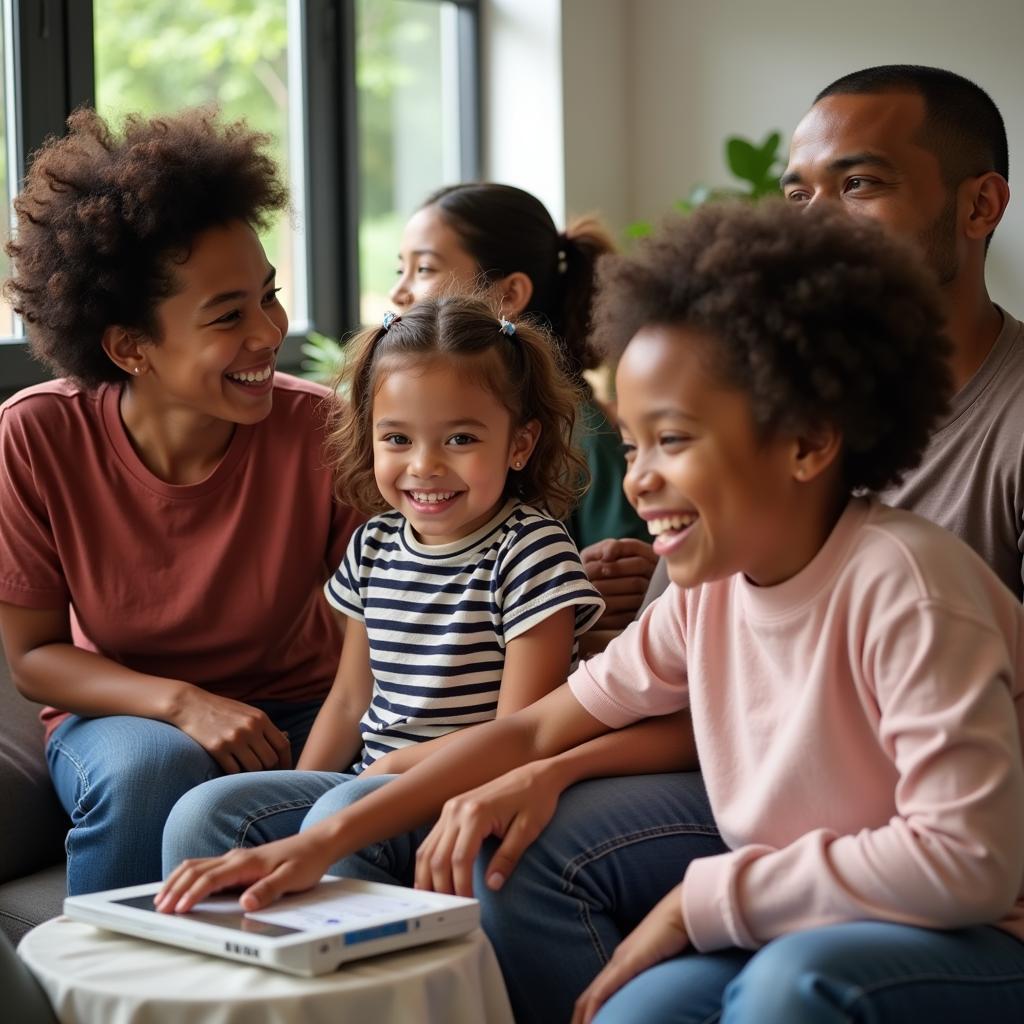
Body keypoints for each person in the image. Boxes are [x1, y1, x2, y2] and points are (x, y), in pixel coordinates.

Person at [160, 200, 1024, 1024]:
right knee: (629, 1009)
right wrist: (326, 836)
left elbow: (971, 863)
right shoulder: (707, 595)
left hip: (979, 925)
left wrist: (700, 900)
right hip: (817, 894)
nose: (639, 479)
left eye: (674, 441)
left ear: (806, 444)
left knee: (789, 990)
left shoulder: (908, 586)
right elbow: (538, 732)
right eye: (636, 441)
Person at [0, 108, 363, 895]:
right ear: (131, 346)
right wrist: (182, 704)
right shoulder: (38, 436)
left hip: (306, 707)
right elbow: (33, 657)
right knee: (153, 771)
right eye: (227, 315)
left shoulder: (325, 433)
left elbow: (383, 633)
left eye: (268, 296)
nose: (269, 332)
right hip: (125, 720)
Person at [160, 294, 606, 871]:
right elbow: (349, 701)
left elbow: (520, 732)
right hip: (363, 782)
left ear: (519, 444)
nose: (424, 465)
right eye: (398, 439)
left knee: (337, 812)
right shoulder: (373, 544)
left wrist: (382, 777)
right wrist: (297, 795)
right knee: (205, 813)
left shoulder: (531, 551)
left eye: (460, 439)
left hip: (462, 792)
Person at [644, 63, 1021, 606]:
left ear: (980, 206)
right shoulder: (757, 399)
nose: (812, 224)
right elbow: (653, 665)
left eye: (858, 184)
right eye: (799, 196)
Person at [391, 183, 658, 632]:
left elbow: (625, 590)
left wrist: (561, 591)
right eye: (401, 268)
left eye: (423, 268)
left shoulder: (584, 436)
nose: (399, 292)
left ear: (510, 294)